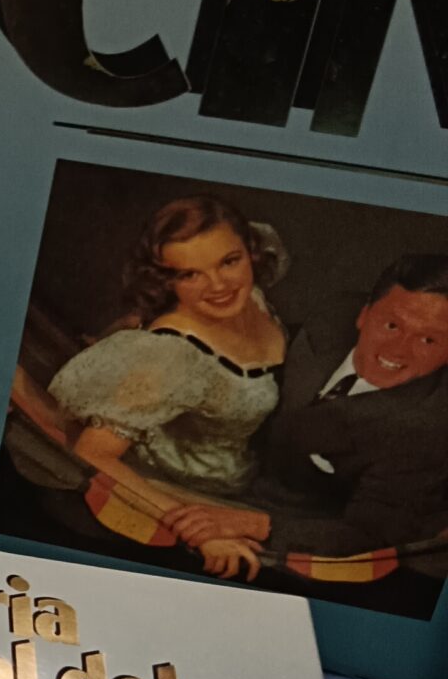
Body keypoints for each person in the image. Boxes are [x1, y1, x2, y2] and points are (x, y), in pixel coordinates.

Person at [39, 195, 286, 575]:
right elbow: (92, 453)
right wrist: (196, 530)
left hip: (253, 474)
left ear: (250, 251)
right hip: (182, 490)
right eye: (190, 274)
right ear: (167, 280)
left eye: (229, 261)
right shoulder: (171, 356)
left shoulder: (250, 298)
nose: (219, 284)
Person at [166, 253, 448, 579]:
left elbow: (369, 536)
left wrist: (257, 526)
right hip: (218, 467)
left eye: (428, 340)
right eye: (391, 325)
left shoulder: (426, 432)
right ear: (364, 314)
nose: (398, 349)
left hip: (294, 525)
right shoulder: (334, 316)